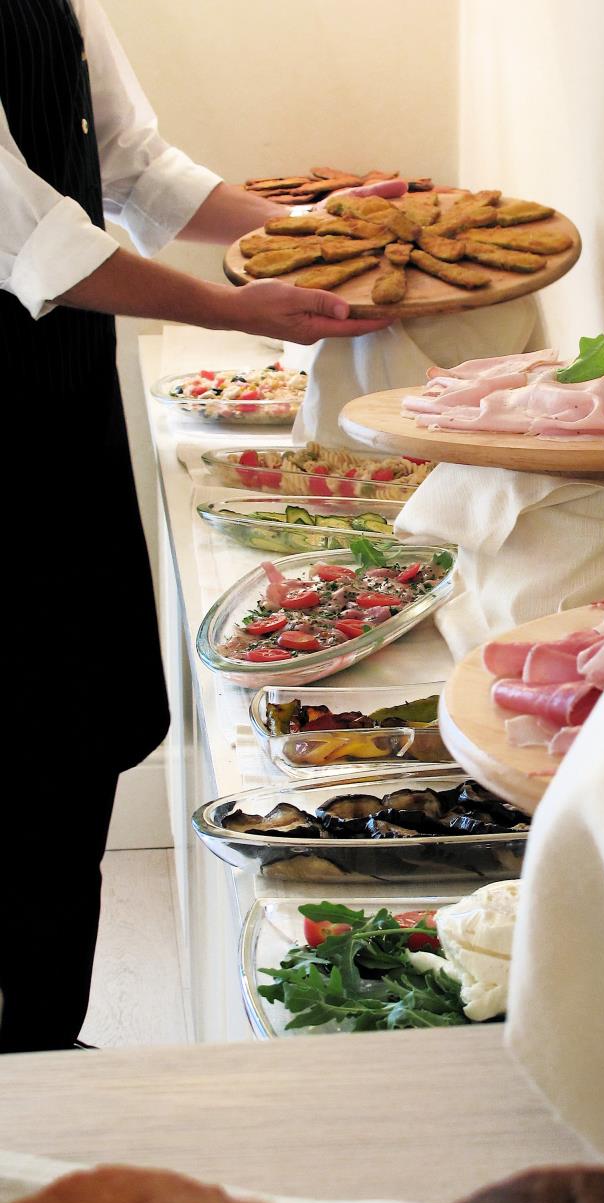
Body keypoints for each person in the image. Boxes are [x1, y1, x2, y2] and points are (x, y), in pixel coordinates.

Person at [0, 0, 391, 1053]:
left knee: (73, 735)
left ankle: (44, 1044)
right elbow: (29, 236)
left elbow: (131, 163)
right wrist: (235, 306)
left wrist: (311, 232)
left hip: (60, 412)